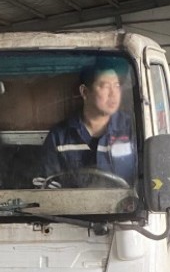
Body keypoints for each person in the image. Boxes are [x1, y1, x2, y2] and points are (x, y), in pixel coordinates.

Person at [42, 58, 136, 186]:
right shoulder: (59, 138)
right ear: (85, 92)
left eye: (117, 85)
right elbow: (47, 185)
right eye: (105, 86)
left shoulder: (132, 129)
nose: (113, 93)